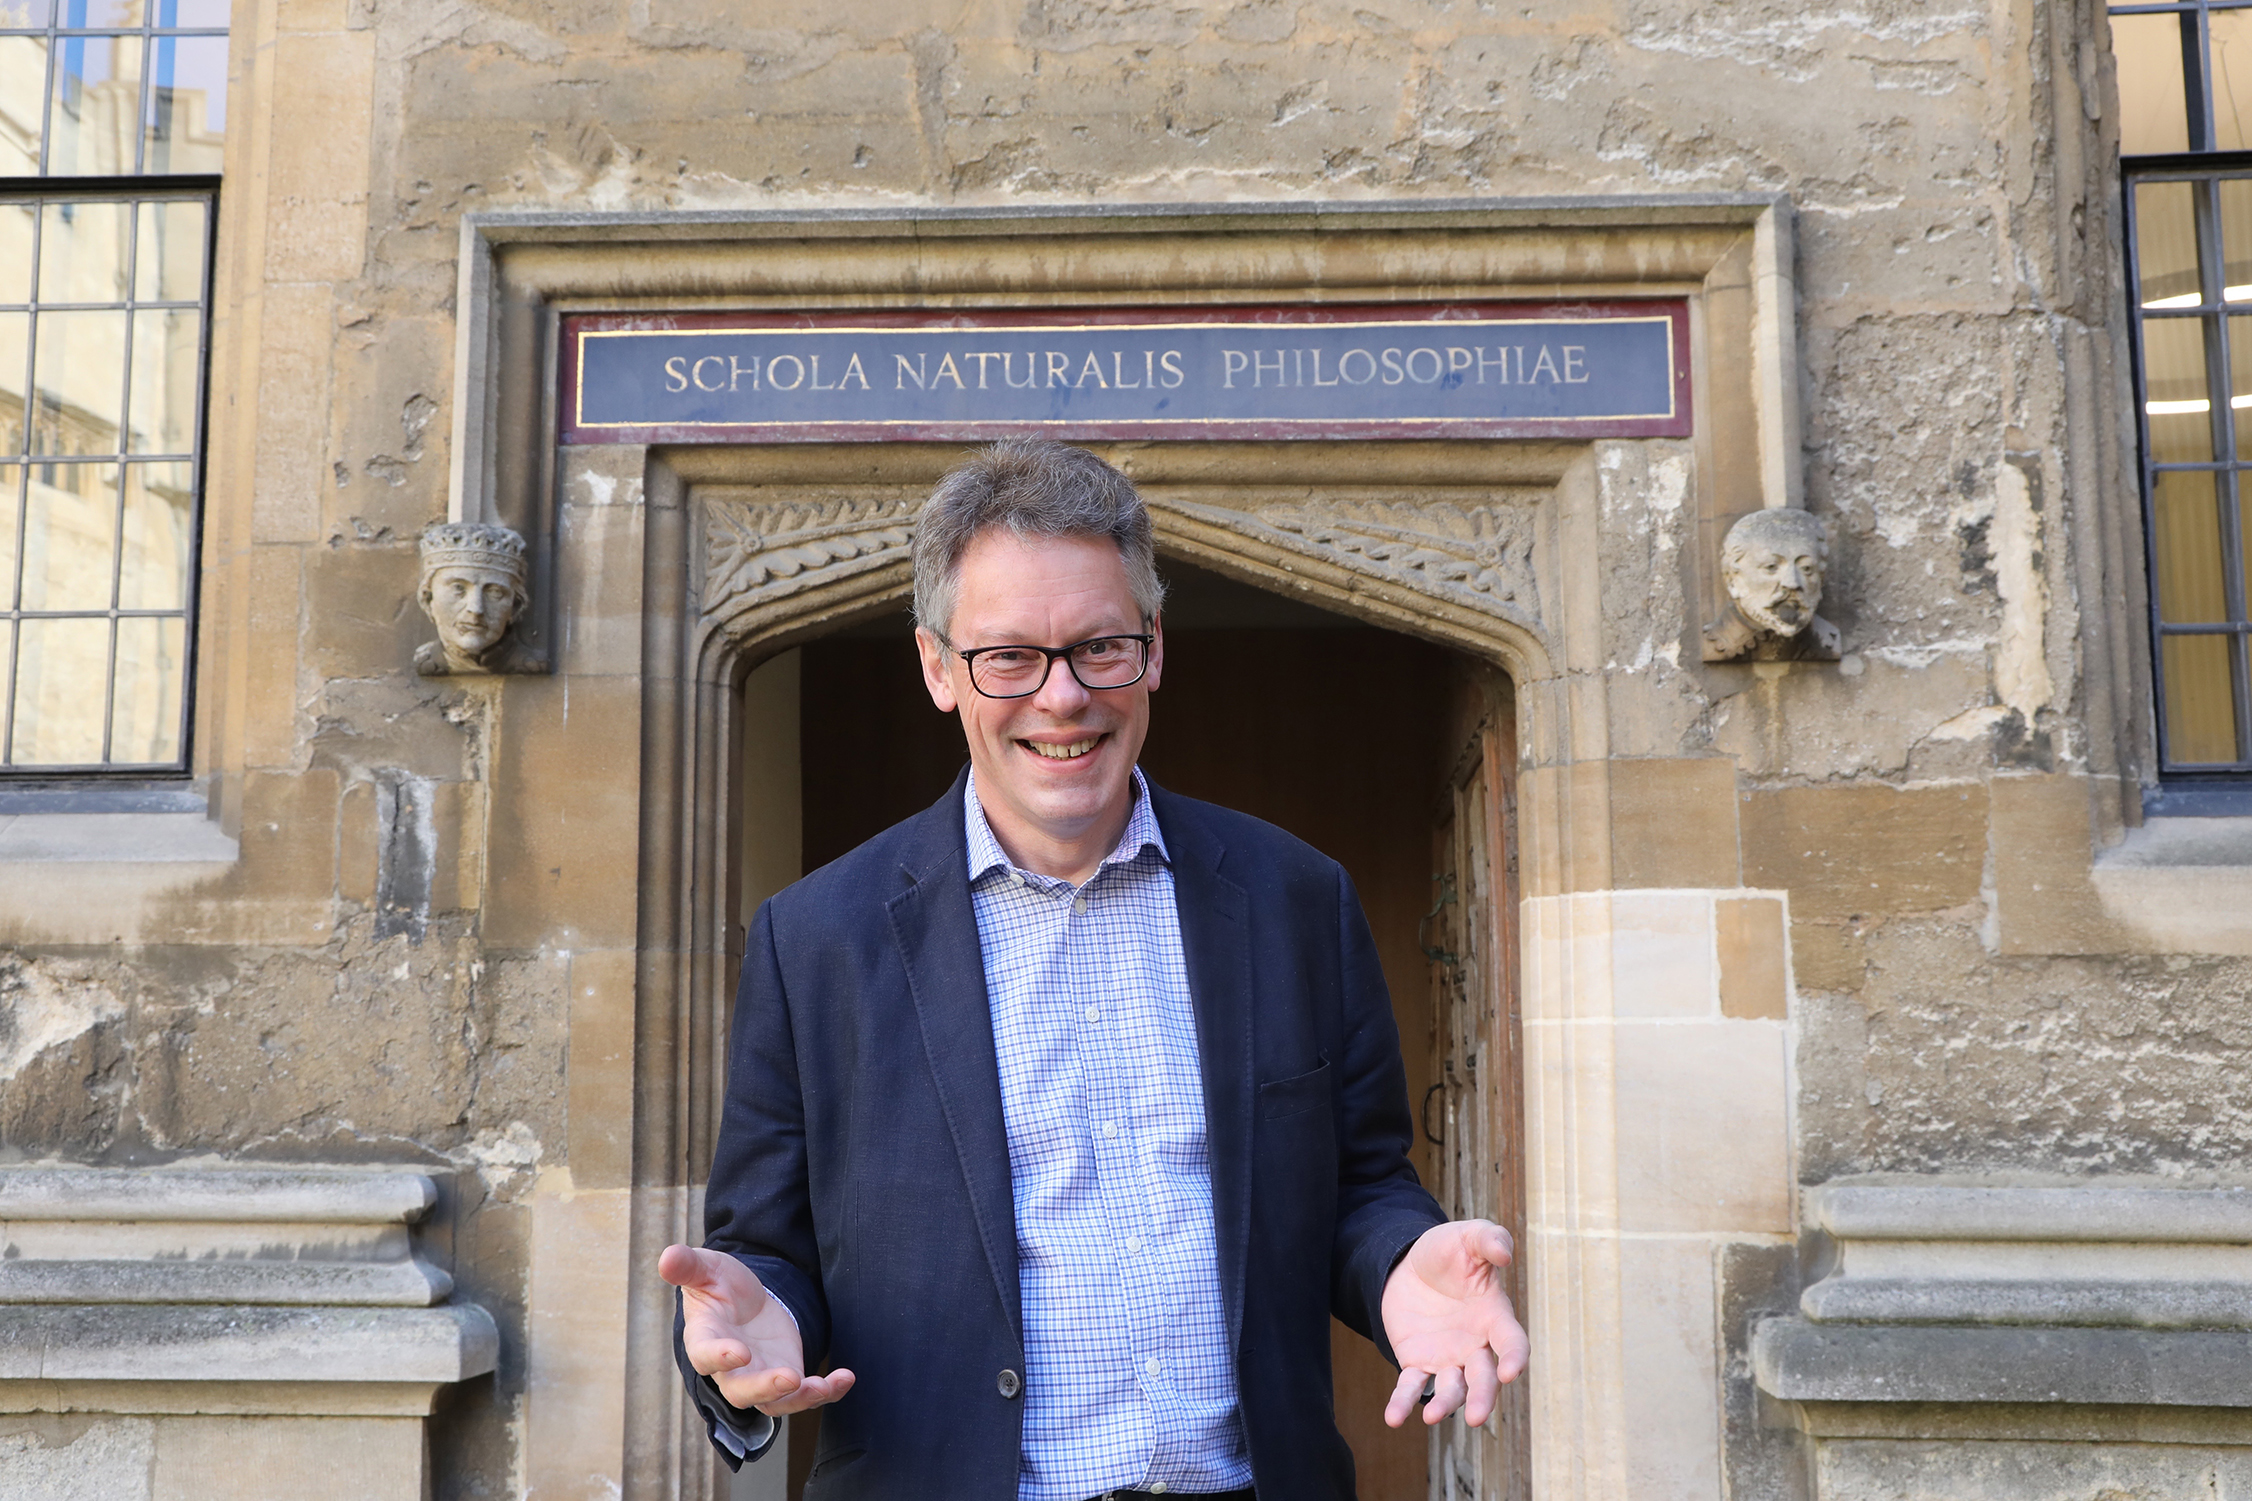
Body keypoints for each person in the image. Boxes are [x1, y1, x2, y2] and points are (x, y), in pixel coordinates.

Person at [660, 439, 1528, 1500]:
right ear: (938, 666)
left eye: (1098, 648)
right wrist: (761, 1325)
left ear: (1153, 649)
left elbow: (1357, 1182)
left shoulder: (1296, 897)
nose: (1061, 698)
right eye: (1009, 656)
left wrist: (1400, 1263)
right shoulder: (814, 939)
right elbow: (767, 1252)